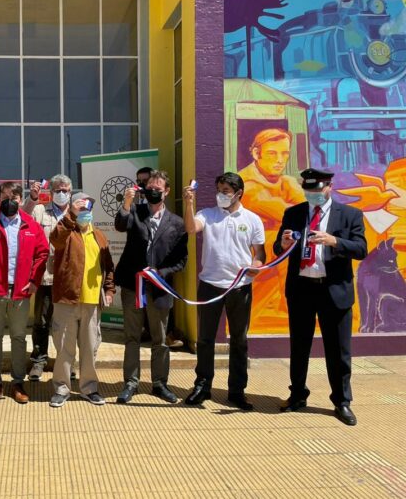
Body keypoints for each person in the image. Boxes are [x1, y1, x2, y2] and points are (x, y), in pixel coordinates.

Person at [275, 168, 367, 426]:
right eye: (307, 190)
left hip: (334, 290)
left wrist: (335, 241)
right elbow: (278, 247)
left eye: (316, 190)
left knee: (338, 350)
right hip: (302, 288)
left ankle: (342, 401)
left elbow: (361, 249)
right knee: (299, 346)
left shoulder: (349, 215)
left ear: (329, 187)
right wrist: (282, 244)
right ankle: (297, 394)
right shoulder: (293, 213)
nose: (312, 194)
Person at [182, 172, 266, 410]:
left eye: (226, 191)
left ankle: (237, 390)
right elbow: (190, 228)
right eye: (219, 190)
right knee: (205, 339)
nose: (221, 195)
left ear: (239, 193)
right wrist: (188, 204)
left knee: (239, 339)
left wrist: (256, 267)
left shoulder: (252, 219)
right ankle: (202, 386)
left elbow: (260, 253)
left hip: (240, 287)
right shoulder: (207, 214)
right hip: (210, 284)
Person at [0, 182, 49, 406]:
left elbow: (42, 253)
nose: (9, 202)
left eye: (14, 198)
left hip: (20, 291)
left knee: (18, 337)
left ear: (20, 200)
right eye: (5, 198)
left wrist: (34, 280)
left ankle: (17, 383)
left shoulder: (31, 224)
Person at [114, 170, 188, 404]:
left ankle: (160, 383)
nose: (153, 192)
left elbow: (181, 260)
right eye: (150, 188)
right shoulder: (135, 212)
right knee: (132, 337)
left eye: (158, 189)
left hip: (159, 287)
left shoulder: (177, 223)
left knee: (160, 339)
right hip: (132, 284)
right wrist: (127, 203)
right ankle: (130, 382)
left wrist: (161, 274)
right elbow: (120, 225)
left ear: (166, 191)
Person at [48, 192, 116, 407]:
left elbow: (108, 266)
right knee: (64, 349)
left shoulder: (99, 235)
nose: (84, 212)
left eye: (87, 208)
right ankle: (61, 388)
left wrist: (109, 290)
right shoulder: (66, 232)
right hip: (66, 300)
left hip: (92, 302)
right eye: (80, 208)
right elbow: (55, 239)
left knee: (90, 348)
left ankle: (89, 388)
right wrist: (71, 215)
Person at [238, 128, 306, 324]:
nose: (280, 160)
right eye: (272, 153)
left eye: (285, 153)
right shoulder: (245, 184)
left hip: (273, 246)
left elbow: (306, 213)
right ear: (256, 153)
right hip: (252, 249)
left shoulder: (286, 182)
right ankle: (292, 305)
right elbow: (287, 212)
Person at [22, 174, 72, 381]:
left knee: (67, 323)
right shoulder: (41, 211)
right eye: (57, 190)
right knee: (42, 321)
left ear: (70, 192)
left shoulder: (77, 213)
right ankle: (39, 360)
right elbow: (23, 217)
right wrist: (32, 198)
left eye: (65, 190)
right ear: (50, 193)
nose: (61, 194)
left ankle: (67, 361)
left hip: (69, 279)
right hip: (45, 276)